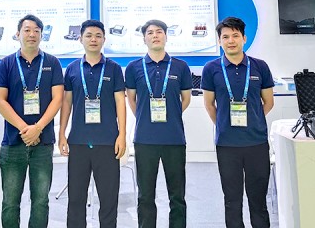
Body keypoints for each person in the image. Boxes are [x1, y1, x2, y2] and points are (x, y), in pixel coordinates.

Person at [201, 17, 275, 228]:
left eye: (235, 36)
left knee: (258, 200)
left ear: (244, 38)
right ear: (219, 41)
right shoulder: (211, 69)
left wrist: (254, 120)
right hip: (227, 145)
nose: (230, 41)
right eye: (225, 37)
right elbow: (209, 105)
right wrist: (224, 125)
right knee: (232, 200)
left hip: (256, 143)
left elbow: (268, 102)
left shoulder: (260, 66)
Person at [0, 14, 64, 228]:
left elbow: (58, 99)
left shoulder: (52, 62)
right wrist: (25, 129)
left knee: (41, 201)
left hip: (43, 143)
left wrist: (38, 128)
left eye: (36, 30)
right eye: (27, 30)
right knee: (10, 203)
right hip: (13, 143)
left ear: (42, 35)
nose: (32, 34)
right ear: (18, 34)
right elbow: (0, 101)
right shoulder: (6, 63)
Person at [59, 19, 126, 228]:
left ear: (104, 39)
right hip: (78, 142)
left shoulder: (114, 69)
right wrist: (62, 133)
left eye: (98, 36)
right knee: (76, 198)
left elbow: (120, 102)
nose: (93, 39)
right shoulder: (72, 69)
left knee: (108, 199)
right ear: (80, 39)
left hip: (107, 142)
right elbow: (66, 102)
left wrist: (122, 135)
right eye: (88, 35)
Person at [125, 19, 192, 228]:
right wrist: (145, 116)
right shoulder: (134, 68)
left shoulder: (180, 66)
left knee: (177, 196)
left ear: (166, 36)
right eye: (150, 32)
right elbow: (132, 100)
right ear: (144, 38)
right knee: (145, 195)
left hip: (174, 139)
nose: (155, 35)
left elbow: (186, 99)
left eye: (159, 31)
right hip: (145, 139)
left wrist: (171, 115)